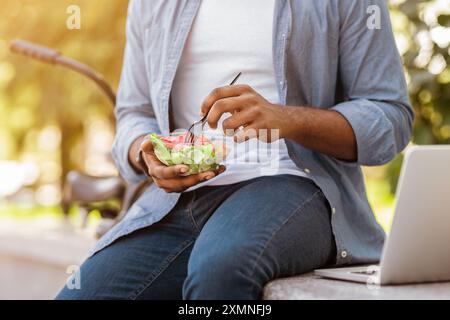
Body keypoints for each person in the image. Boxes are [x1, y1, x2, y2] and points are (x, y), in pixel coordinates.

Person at [57, 0, 413, 300]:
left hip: (291, 182)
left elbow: (390, 116)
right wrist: (145, 151)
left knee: (222, 271)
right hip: (174, 201)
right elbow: (135, 113)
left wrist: (287, 119)